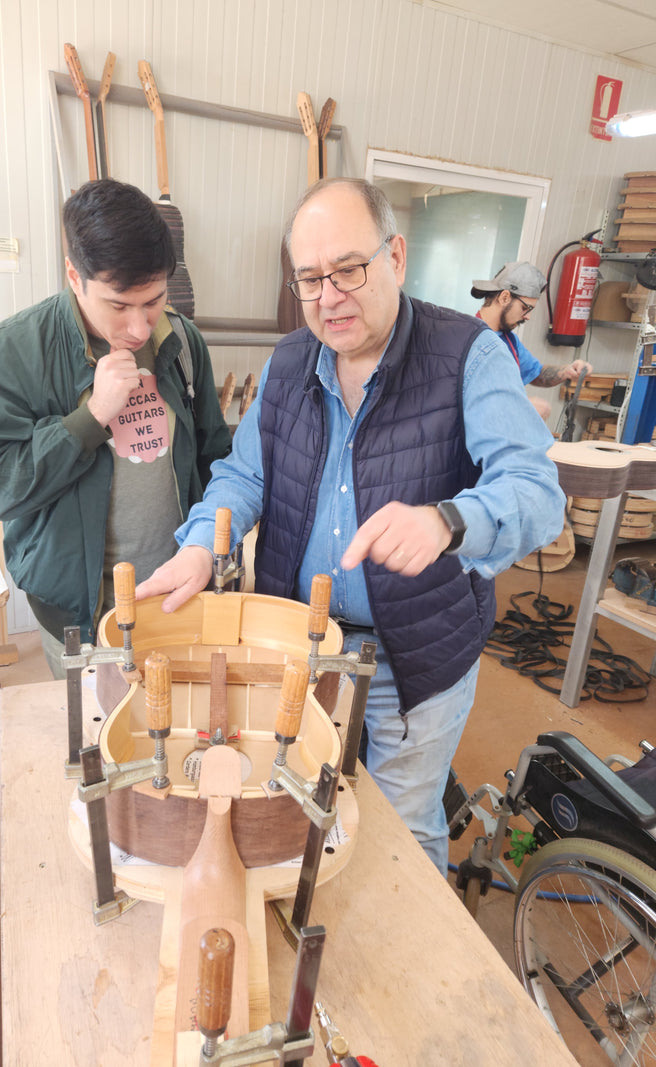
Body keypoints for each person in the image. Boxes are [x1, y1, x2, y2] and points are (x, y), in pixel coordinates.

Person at [135, 177, 565, 876]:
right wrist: (198, 548)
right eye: (309, 278)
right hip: (297, 649)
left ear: (395, 255)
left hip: (414, 657)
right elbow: (245, 477)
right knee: (294, 799)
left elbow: (537, 492)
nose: (329, 295)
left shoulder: (467, 355)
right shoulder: (287, 364)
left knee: (400, 833)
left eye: (348, 270)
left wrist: (449, 520)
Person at [0, 179, 231, 677]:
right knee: (94, 744)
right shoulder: (15, 351)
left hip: (175, 597)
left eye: (155, 299)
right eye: (119, 306)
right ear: (75, 278)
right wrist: (90, 417)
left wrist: (208, 549)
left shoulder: (182, 343)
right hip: (78, 613)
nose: (140, 327)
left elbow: (215, 459)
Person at [472, 262, 592, 419]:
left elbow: (536, 374)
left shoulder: (509, 340)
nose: (527, 316)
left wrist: (567, 371)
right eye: (525, 308)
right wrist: (517, 407)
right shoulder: (468, 338)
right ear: (504, 297)